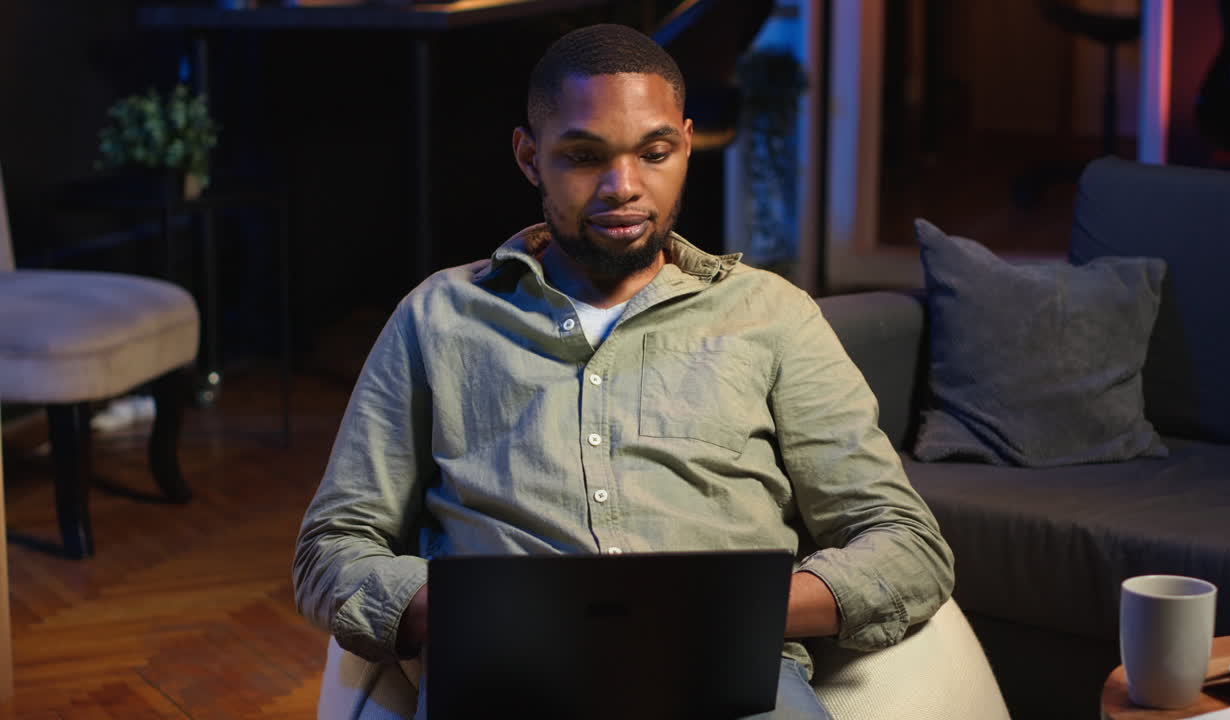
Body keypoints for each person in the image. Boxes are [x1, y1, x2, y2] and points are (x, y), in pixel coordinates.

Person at [294, 23, 954, 719]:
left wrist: (724, 613)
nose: (624, 187)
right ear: (529, 157)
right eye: (583, 156)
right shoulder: (439, 318)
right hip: (507, 681)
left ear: (687, 144)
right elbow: (331, 549)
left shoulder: (773, 316)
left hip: (731, 684)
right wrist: (465, 614)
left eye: (655, 152)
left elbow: (907, 543)